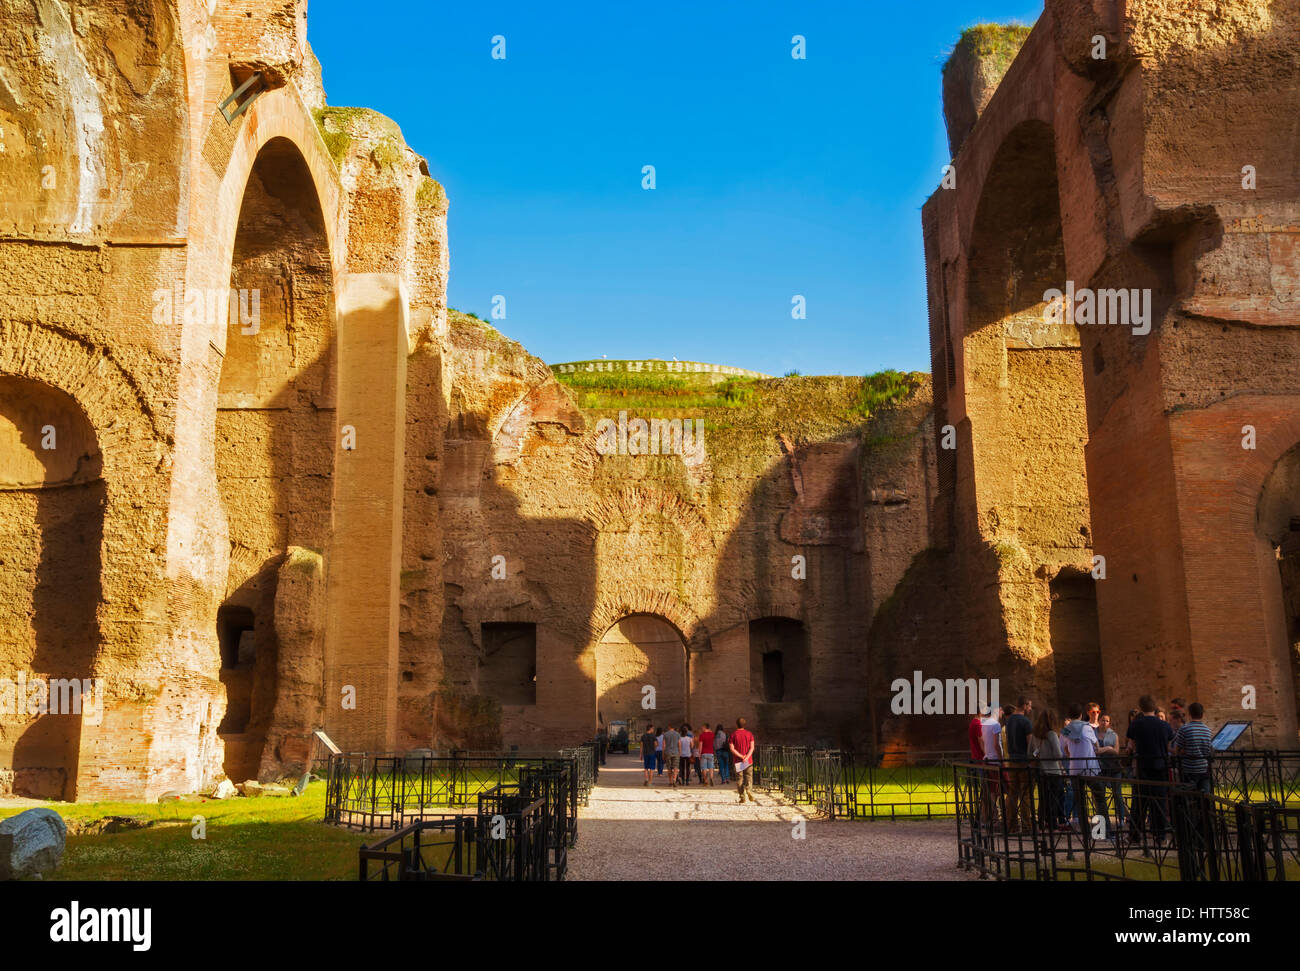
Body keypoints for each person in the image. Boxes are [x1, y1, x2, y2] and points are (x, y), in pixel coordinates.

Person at [1126, 695, 1174, 844]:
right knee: (1159, 803)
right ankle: (1160, 837)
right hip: (1160, 766)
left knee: (1139, 803)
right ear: (1154, 707)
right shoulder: (1164, 725)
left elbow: (1132, 743)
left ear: (1140, 707)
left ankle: (1134, 835)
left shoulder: (1136, 724)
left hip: (1143, 767)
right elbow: (1169, 745)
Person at [1061, 703, 1104, 828]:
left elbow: (1063, 750)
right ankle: (1102, 832)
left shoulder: (1065, 730)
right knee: (1100, 799)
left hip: (1075, 768)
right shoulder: (1087, 728)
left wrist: (1072, 754)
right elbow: (1097, 746)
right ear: (1081, 715)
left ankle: (1085, 832)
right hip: (1090, 768)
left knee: (1080, 802)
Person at [1029, 708, 1065, 829]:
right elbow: (1058, 754)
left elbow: (1029, 753)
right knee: (1053, 799)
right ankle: (1052, 824)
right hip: (1053, 771)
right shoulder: (1052, 734)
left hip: (1041, 771)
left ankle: (1041, 823)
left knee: (1043, 798)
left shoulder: (1034, 735)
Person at [1002, 697, 1034, 833]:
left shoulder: (1009, 722)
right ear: (1025, 705)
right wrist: (1033, 758)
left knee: (1012, 794)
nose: (1030, 709)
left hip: (1011, 761)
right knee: (1025, 794)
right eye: (1030, 706)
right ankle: (1027, 826)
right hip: (1024, 762)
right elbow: (1030, 744)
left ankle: (1012, 825)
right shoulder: (1025, 721)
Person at [1096, 712, 1128, 834]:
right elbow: (1095, 751)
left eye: (1107, 721)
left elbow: (1116, 751)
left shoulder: (1113, 735)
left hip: (1113, 768)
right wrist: (1108, 749)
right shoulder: (1094, 733)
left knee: (1117, 794)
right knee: (1100, 796)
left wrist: (1103, 750)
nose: (1104, 722)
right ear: (1099, 721)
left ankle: (1121, 819)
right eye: (1103, 720)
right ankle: (1103, 823)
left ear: (1109, 723)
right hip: (1099, 768)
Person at [1174, 702, 1213, 794]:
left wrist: (1183, 752)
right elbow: (1207, 750)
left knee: (1189, 795)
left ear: (1189, 714)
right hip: (1203, 768)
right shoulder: (1207, 730)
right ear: (1202, 714)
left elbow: (1177, 750)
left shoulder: (1184, 729)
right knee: (1205, 796)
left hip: (1189, 769)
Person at [729, 717, 757, 804]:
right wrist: (746, 757)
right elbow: (752, 748)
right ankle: (749, 789)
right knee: (749, 777)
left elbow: (732, 749)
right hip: (748, 760)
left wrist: (741, 756)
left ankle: (742, 797)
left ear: (736, 724)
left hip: (738, 760)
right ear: (745, 725)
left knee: (739, 779)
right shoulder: (749, 734)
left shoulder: (733, 735)